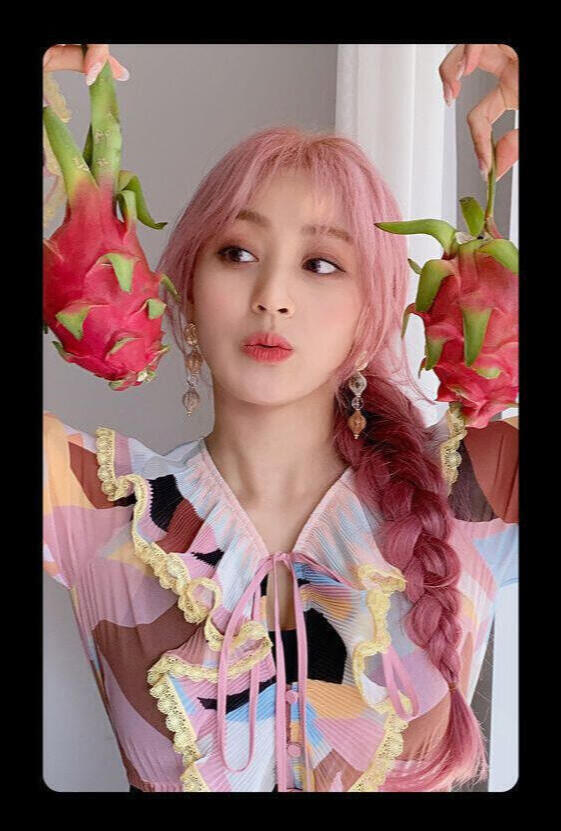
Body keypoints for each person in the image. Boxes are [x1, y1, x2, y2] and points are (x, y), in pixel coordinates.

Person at [43, 44, 519, 793]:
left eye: (321, 263)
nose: (272, 294)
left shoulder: (478, 479)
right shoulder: (91, 497)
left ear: (372, 312)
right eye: (237, 252)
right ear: (186, 289)